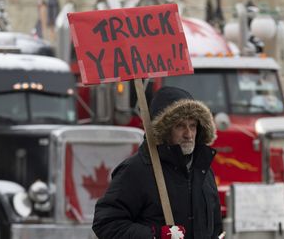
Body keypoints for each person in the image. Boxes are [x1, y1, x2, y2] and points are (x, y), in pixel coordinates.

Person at [92, 86, 222, 238]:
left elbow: (215, 226)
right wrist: (156, 235)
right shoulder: (137, 170)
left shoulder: (202, 169)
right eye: (180, 126)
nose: (188, 134)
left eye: (192, 126)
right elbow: (106, 223)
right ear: (164, 130)